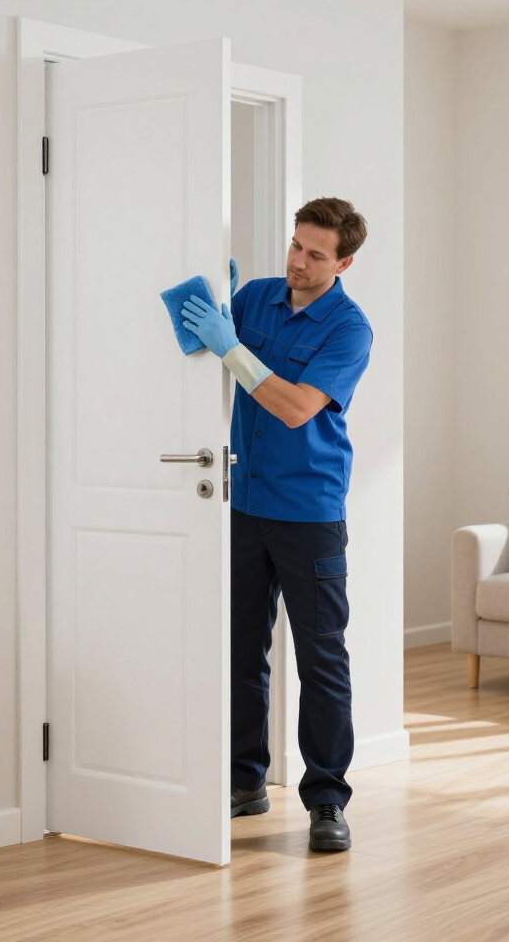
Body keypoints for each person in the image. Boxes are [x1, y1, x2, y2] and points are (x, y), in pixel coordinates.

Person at [180, 197, 371, 853]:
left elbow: (293, 409)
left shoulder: (349, 328)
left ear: (344, 262)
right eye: (296, 245)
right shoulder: (258, 298)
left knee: (321, 660)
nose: (299, 261)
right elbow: (193, 344)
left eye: (317, 254)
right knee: (240, 651)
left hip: (309, 514)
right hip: (243, 505)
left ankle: (326, 801)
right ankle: (243, 782)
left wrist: (231, 350)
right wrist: (210, 295)